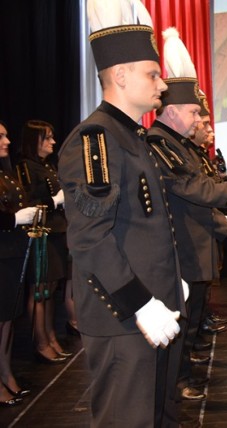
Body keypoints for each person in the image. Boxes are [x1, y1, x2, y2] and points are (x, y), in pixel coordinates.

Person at [57, 4, 184, 425]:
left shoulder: (131, 135)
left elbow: (144, 224)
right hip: (125, 317)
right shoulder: (95, 138)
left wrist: (167, 281)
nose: (162, 84)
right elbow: (90, 238)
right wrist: (140, 303)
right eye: (152, 73)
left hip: (153, 307)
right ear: (121, 75)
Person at [147, 27, 227, 407]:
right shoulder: (160, 144)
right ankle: (175, 385)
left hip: (192, 248)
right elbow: (199, 193)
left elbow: (200, 207)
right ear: (171, 111)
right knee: (178, 330)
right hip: (175, 253)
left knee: (187, 327)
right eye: (193, 111)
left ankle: (180, 380)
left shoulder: (180, 146)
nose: (200, 118)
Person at [17, 119, 69, 363]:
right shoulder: (27, 167)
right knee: (40, 289)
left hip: (57, 229)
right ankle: (41, 341)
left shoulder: (46, 165)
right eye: (46, 138)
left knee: (51, 289)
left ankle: (50, 336)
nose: (52, 142)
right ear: (34, 141)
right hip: (41, 232)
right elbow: (30, 201)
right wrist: (55, 201)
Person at [0, 120, 37, 407]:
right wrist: (14, 219)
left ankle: (6, 374)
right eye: (0, 136)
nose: (7, 141)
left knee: (8, 321)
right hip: (2, 253)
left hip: (12, 253)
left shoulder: (6, 173)